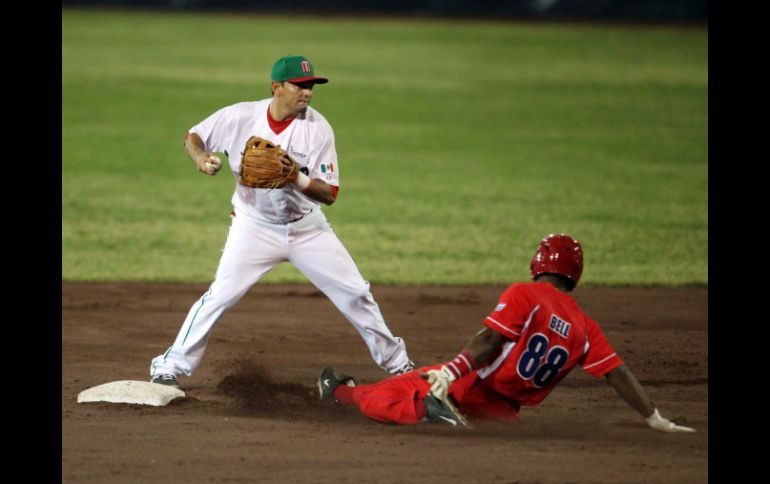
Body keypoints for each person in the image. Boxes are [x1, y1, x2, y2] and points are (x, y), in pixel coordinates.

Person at [150, 55, 414, 387]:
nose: (308, 93)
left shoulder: (318, 129)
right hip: (253, 227)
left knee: (355, 293)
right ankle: (169, 366)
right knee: (220, 296)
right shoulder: (240, 116)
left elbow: (330, 193)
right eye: (300, 86)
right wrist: (201, 157)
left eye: (311, 86)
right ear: (277, 87)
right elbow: (193, 136)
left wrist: (296, 178)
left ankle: (399, 364)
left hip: (307, 229)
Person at [317, 234, 695, 433]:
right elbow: (618, 373)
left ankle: (359, 397)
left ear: (539, 263)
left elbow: (489, 341)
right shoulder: (585, 327)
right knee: (412, 383)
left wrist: (451, 374)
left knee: (388, 393)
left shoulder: (526, 293)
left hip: (469, 387)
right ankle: (352, 396)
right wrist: (654, 417)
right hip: (503, 413)